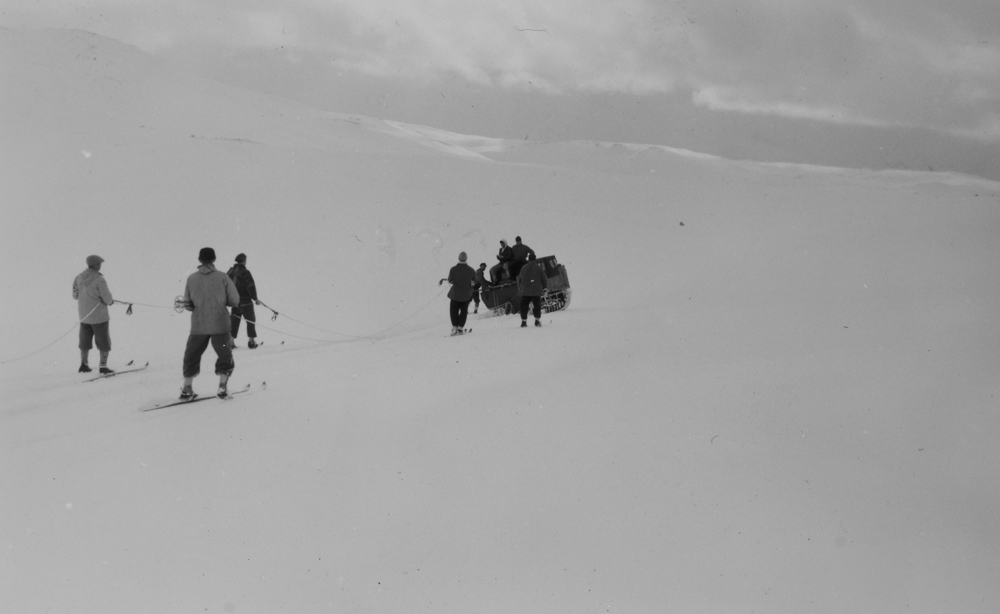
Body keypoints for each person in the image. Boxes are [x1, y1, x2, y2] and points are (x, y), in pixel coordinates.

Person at [180, 247, 240, 399]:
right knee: (224, 354)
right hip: (220, 324)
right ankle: (222, 387)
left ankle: (187, 388)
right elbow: (235, 300)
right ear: (214, 259)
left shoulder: (191, 278)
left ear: (199, 260)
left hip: (198, 325)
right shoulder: (223, 277)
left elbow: (187, 305)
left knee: (191, 355)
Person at [72, 254, 115, 373]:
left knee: (84, 341)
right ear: (96, 265)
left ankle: (84, 365)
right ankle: (103, 366)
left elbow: (75, 295)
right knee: (103, 342)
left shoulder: (78, 277)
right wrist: (110, 302)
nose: (100, 266)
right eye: (99, 264)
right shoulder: (99, 279)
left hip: (84, 316)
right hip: (99, 317)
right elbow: (107, 298)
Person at [227, 253, 260, 349]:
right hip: (246, 301)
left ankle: (231, 342)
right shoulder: (245, 272)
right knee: (250, 320)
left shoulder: (230, 272)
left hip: (234, 301)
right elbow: (250, 286)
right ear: (244, 261)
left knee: (234, 321)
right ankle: (251, 342)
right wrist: (255, 298)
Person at [440, 251, 476, 335]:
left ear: (459, 258)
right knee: (464, 311)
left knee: (453, 311)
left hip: (455, 294)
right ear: (466, 259)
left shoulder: (453, 269)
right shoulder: (471, 270)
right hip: (466, 295)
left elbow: (450, 280)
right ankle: (460, 328)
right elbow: (474, 281)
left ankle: (454, 327)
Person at [517, 253, 547, 328]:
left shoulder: (524, 267)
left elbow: (520, 279)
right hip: (536, 291)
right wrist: (545, 288)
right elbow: (544, 279)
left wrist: (521, 288)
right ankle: (537, 321)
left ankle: (523, 322)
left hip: (525, 291)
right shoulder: (539, 267)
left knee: (524, 306)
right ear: (535, 259)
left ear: (528, 259)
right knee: (537, 306)